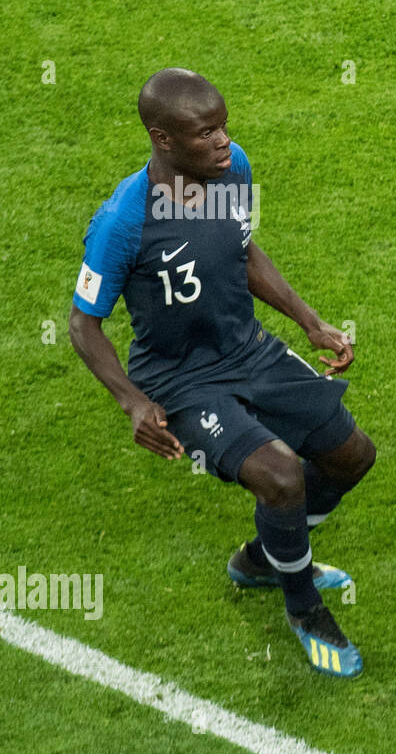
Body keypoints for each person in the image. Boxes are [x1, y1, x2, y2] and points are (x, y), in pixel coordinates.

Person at [68, 68, 375, 677]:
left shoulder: (231, 170)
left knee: (352, 455)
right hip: (182, 380)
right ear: (163, 139)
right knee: (282, 477)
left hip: (249, 351)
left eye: (224, 125)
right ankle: (302, 606)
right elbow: (83, 326)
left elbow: (242, 248)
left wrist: (309, 321)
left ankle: (264, 557)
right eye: (206, 133)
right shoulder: (122, 223)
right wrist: (134, 403)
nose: (223, 142)